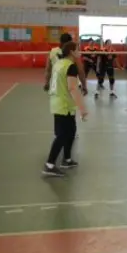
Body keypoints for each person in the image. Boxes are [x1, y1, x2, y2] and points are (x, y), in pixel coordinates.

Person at [43, 41, 87, 177]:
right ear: (72, 51)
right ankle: (49, 165)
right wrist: (82, 108)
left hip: (57, 102)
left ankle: (66, 160)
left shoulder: (58, 64)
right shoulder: (70, 66)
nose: (80, 51)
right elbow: (72, 88)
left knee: (71, 131)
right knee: (62, 135)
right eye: (78, 49)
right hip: (64, 105)